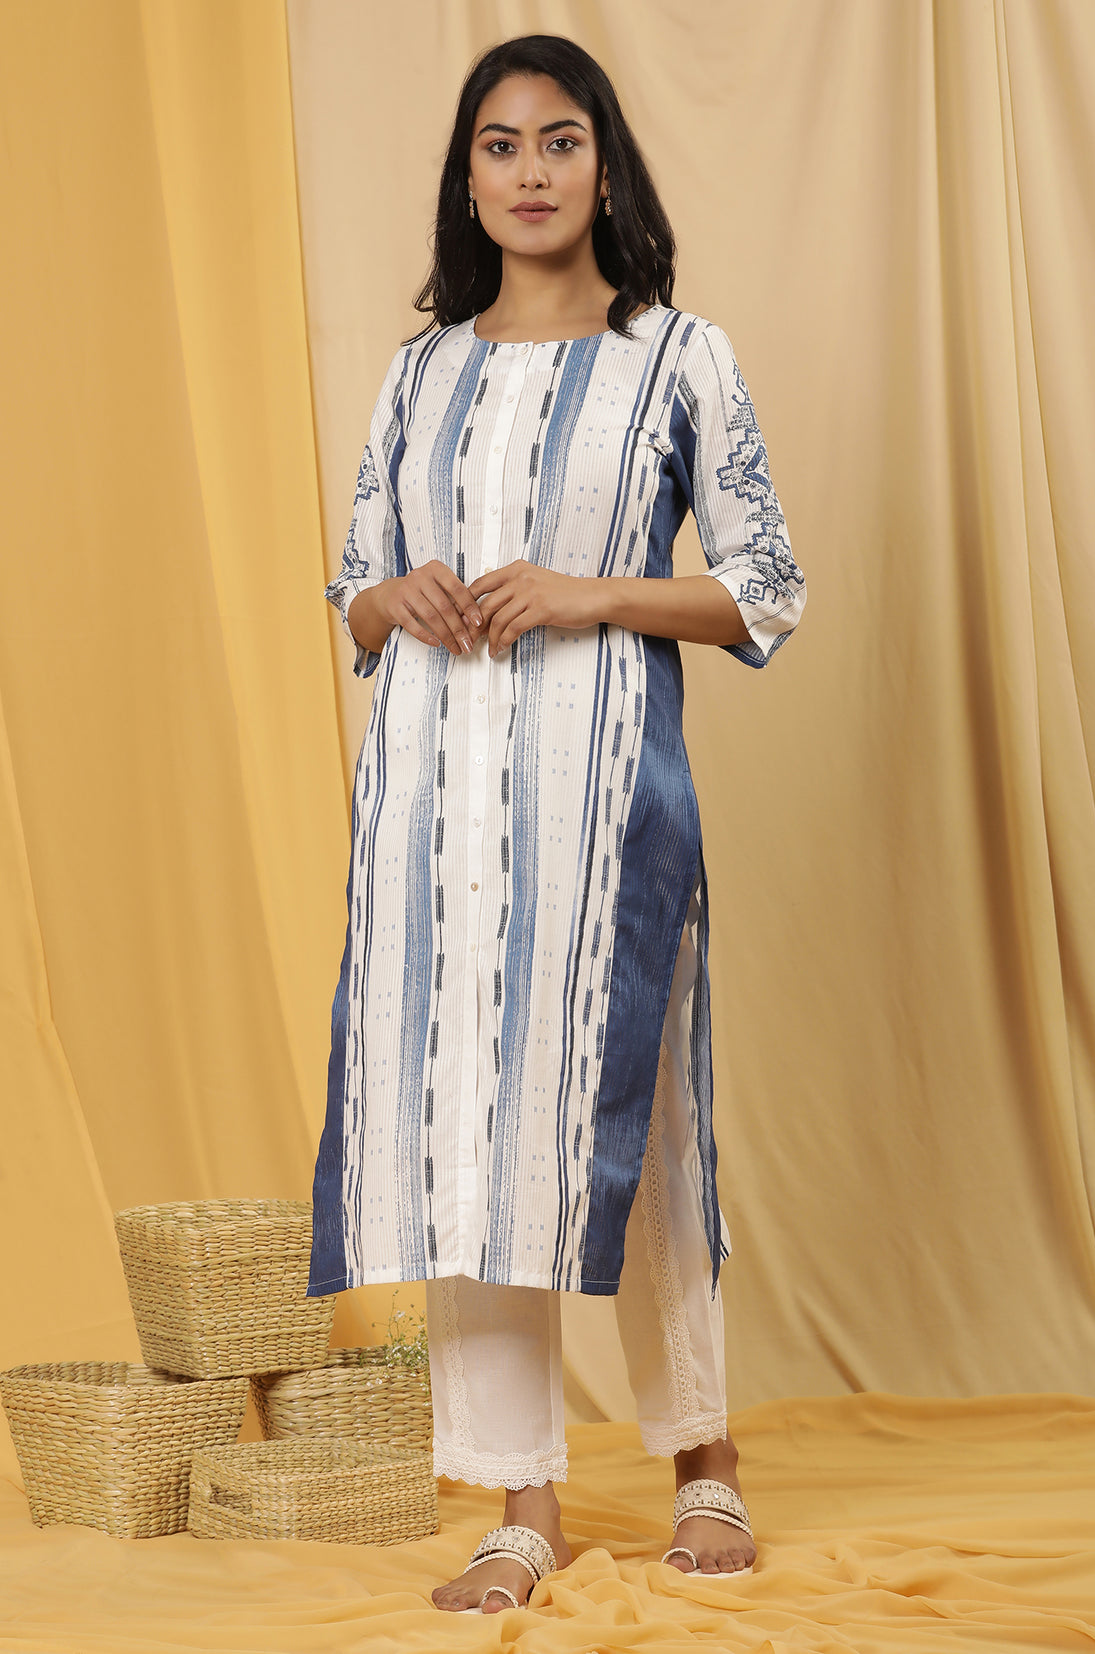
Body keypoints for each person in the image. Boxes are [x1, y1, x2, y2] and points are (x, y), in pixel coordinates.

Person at [306, 32, 806, 1614]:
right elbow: (354, 587)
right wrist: (395, 596)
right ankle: (520, 1497)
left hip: (606, 803)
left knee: (633, 1116)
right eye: (501, 145)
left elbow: (766, 587)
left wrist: (591, 592)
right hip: (432, 810)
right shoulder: (421, 372)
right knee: (464, 1129)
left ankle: (704, 1455)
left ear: (605, 165)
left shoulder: (678, 357)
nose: (531, 171)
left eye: (561, 141)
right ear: (468, 179)